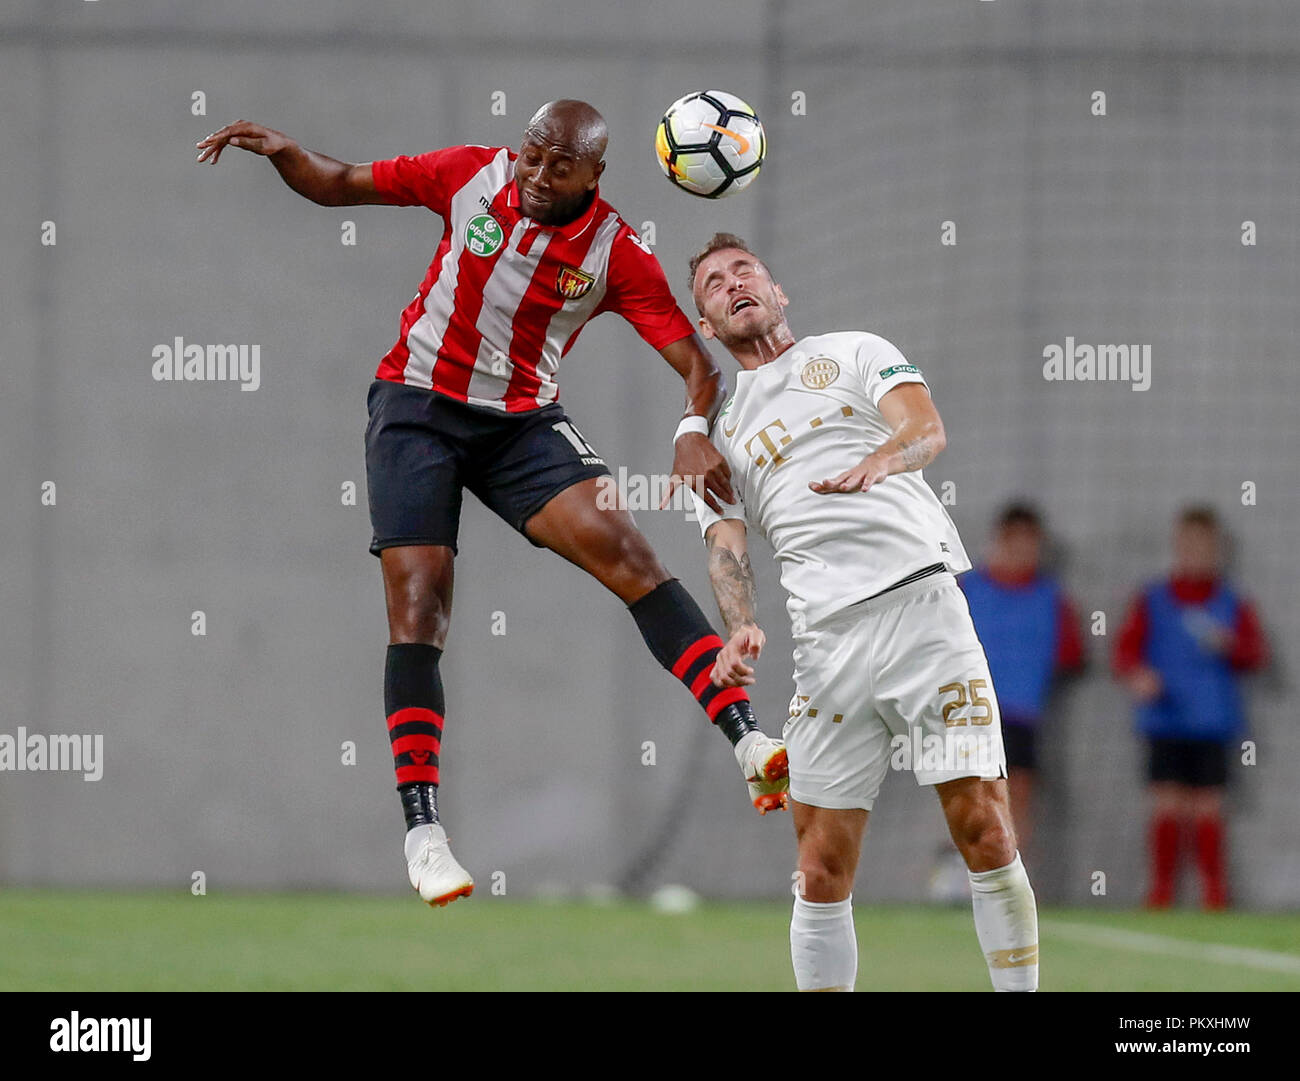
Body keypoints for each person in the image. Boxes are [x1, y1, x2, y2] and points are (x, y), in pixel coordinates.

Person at [196, 102, 788, 910]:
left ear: (596, 177)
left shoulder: (617, 253)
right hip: (415, 407)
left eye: (560, 167)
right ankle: (424, 832)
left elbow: (697, 365)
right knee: (420, 605)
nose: (539, 176)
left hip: (520, 425)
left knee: (634, 559)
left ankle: (748, 738)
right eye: (532, 156)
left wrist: (692, 428)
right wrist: (286, 152)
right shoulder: (471, 173)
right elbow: (338, 184)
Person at [683, 232, 1038, 991]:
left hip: (922, 608)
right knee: (818, 868)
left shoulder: (853, 351)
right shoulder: (717, 434)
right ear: (706, 326)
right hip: (826, 644)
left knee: (983, 825)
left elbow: (926, 428)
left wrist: (887, 457)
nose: (733, 282)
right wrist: (738, 622)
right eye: (713, 283)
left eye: (745, 269)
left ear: (779, 294)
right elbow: (724, 543)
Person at [1113, 505, 1269, 909]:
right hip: (1165, 722)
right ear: (1178, 547)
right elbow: (1125, 652)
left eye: (1206, 546)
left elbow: (1256, 655)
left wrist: (1231, 647)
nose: (1197, 554)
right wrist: (1140, 677)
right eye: (1190, 545)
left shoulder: (1233, 603)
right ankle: (1161, 893)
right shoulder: (1153, 598)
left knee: (1209, 810)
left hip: (1211, 724)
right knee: (1167, 806)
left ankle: (1215, 896)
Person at [960, 504, 1084, 854]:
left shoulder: (1051, 598)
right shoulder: (967, 589)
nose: (1021, 552)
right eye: (1014, 543)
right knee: (966, 799)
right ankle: (962, 882)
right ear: (998, 541)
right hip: (968, 713)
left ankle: (1011, 882)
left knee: (1015, 801)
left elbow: (1071, 655)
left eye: (1030, 544)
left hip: (1020, 717)